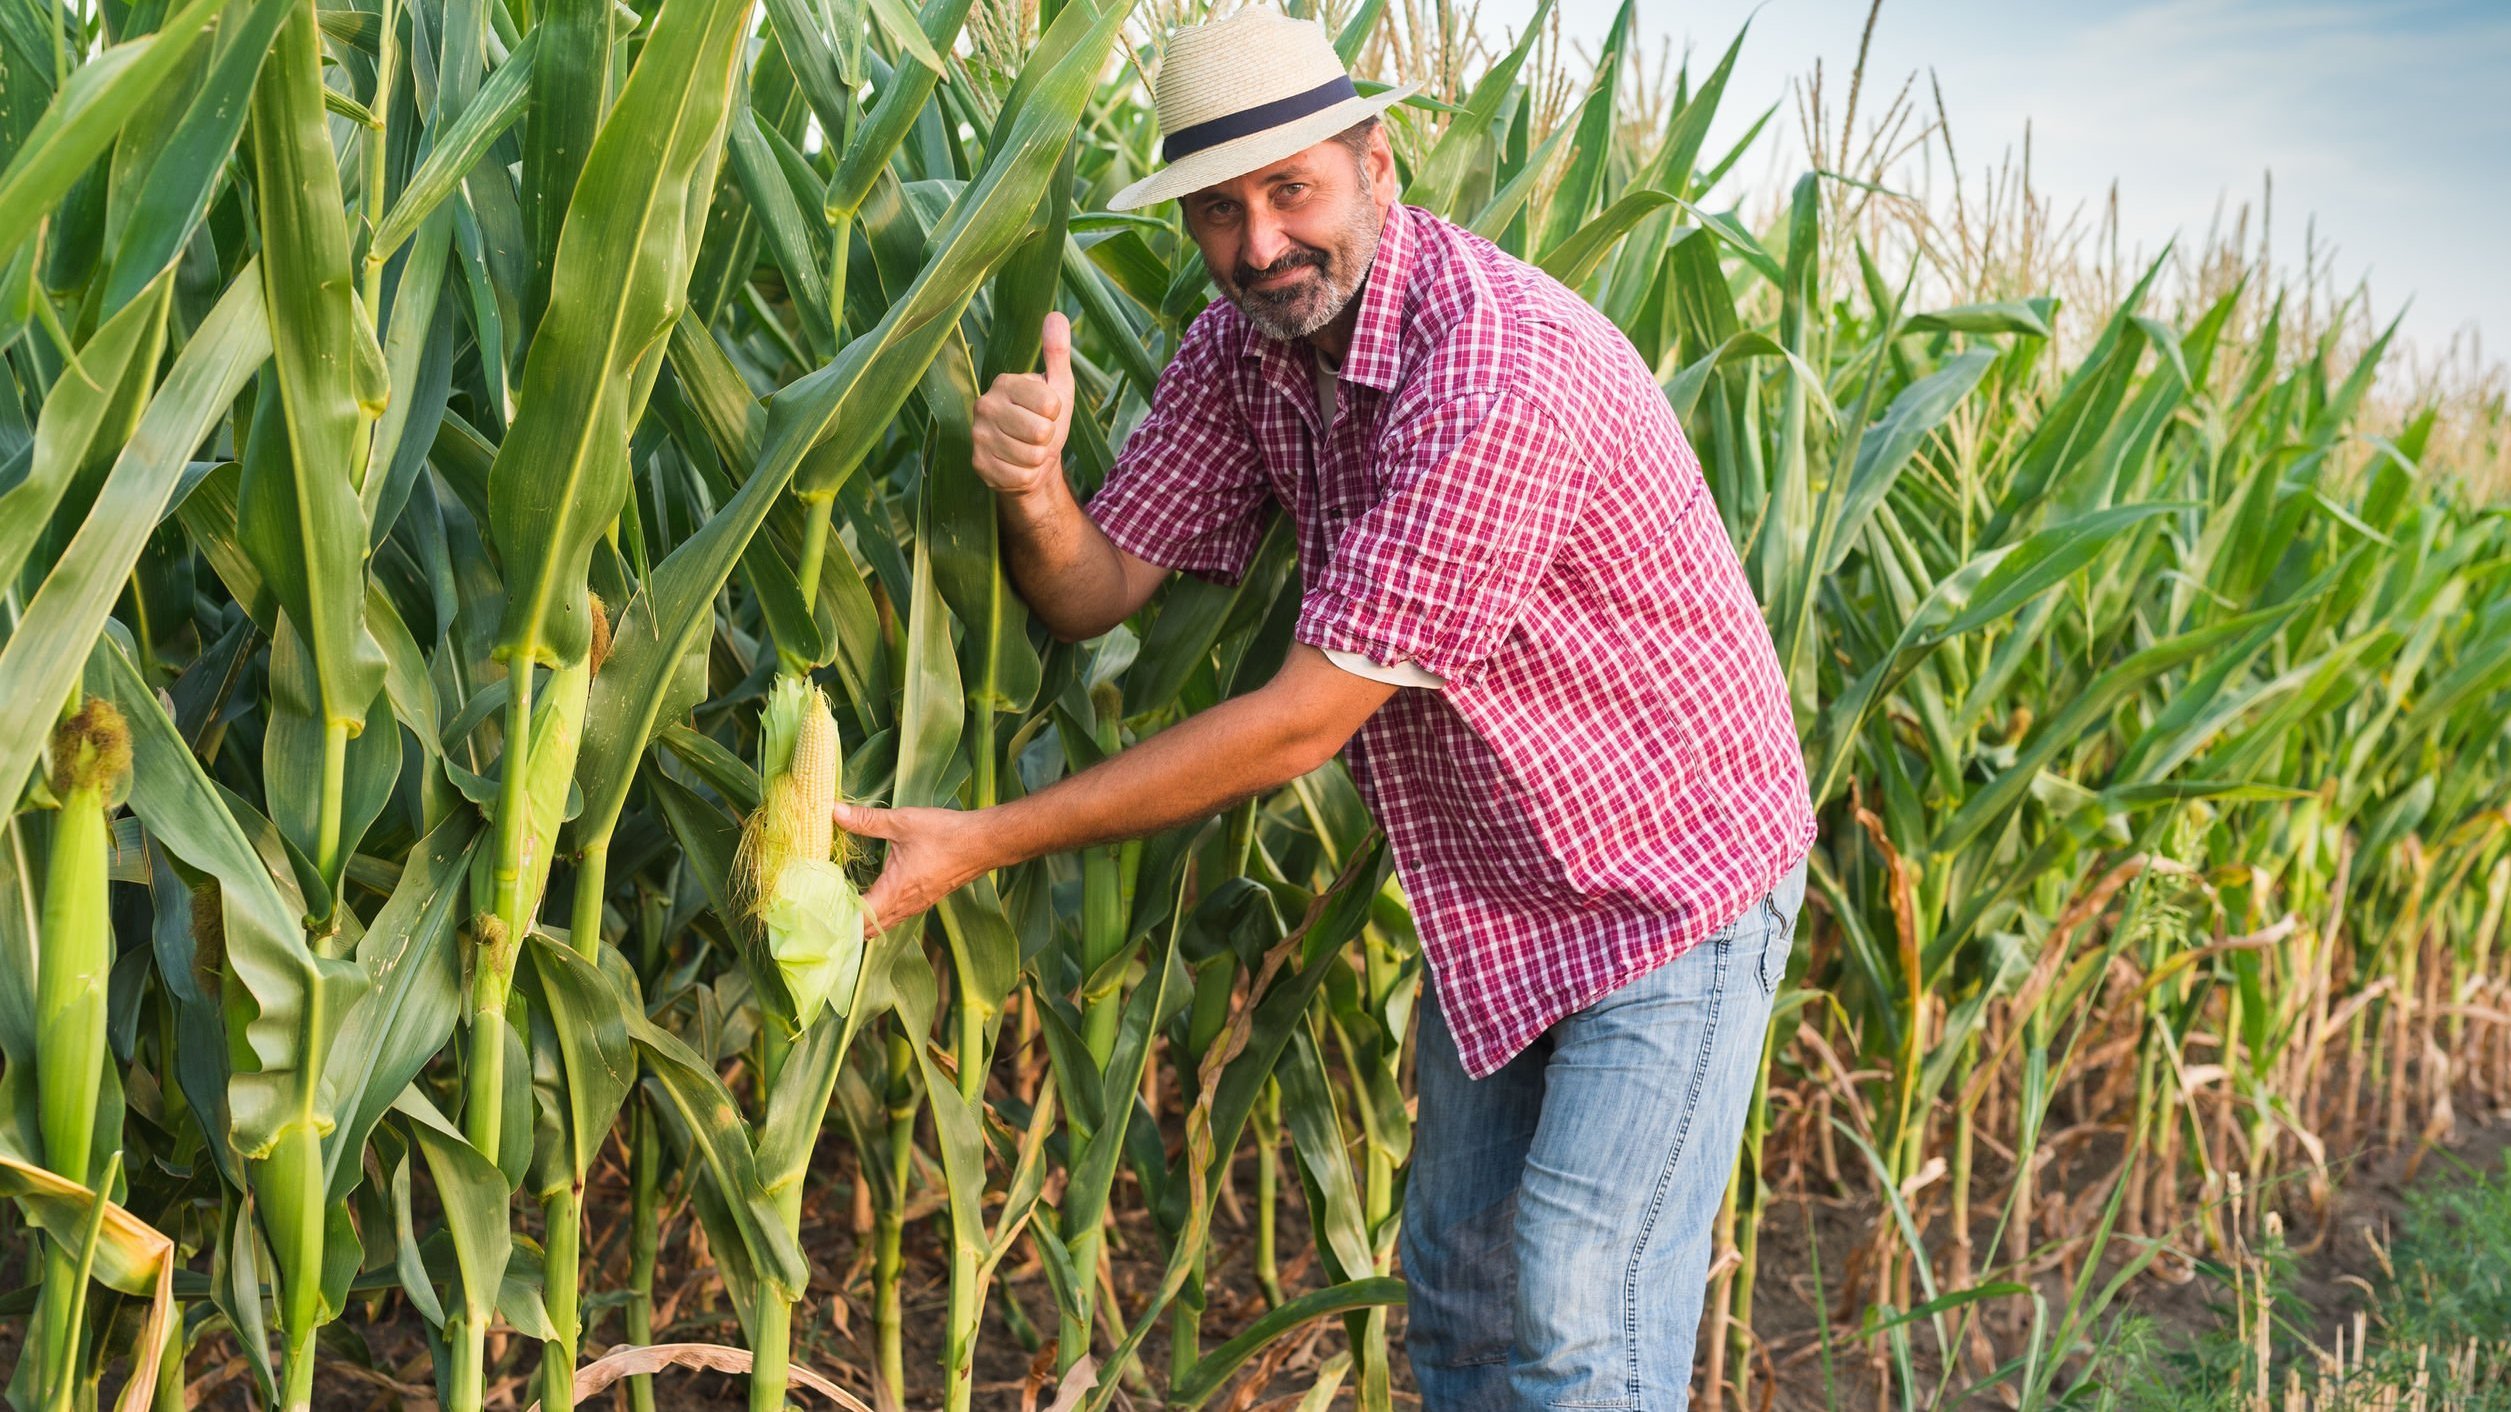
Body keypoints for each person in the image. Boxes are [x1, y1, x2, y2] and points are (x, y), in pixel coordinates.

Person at [832, 7, 1816, 1407]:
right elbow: (1096, 587)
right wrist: (1038, 489)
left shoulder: (1493, 370)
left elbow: (1303, 721)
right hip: (1498, 886)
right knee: (1462, 1298)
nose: (1260, 244)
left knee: (1577, 1299)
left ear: (1376, 164)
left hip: (1667, 876)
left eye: (1292, 189)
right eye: (1219, 212)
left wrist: (985, 837)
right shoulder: (1243, 352)